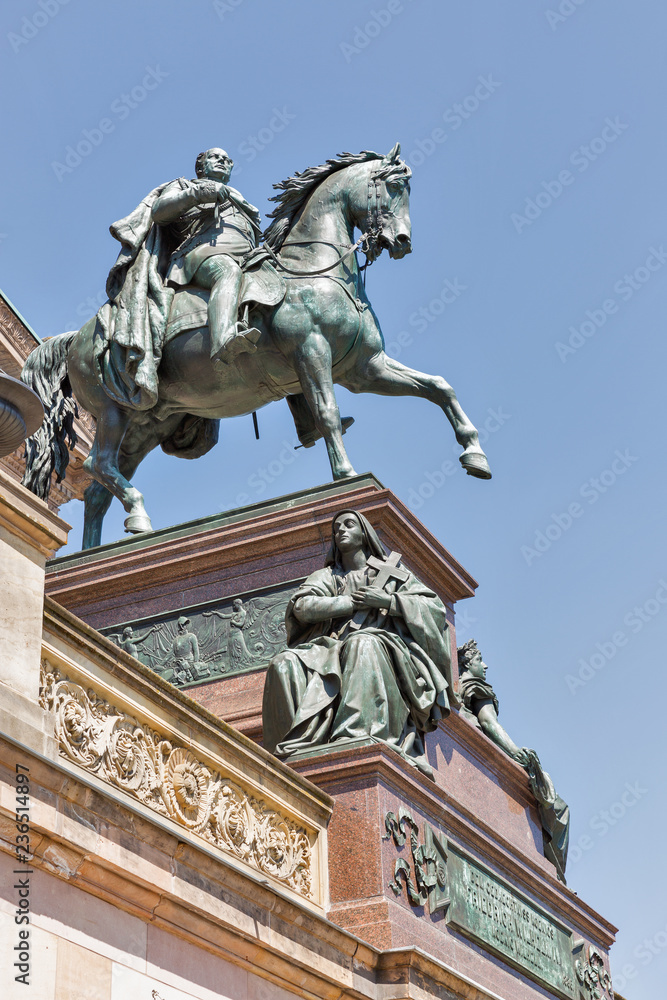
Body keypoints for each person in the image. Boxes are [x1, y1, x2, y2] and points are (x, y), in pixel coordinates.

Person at [262, 510, 452, 776]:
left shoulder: (392, 572)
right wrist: (349, 603)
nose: (340, 530)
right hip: (330, 648)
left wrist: (387, 601)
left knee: (362, 643)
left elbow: (433, 609)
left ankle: (355, 733)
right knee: (283, 662)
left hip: (385, 646)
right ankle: (292, 751)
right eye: (336, 527)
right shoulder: (329, 576)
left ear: (365, 533)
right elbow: (302, 606)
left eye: (349, 524)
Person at [457, 639, 570, 882]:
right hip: (489, 762)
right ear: (467, 663)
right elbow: (488, 722)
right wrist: (517, 753)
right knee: (559, 808)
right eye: (479, 660)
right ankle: (557, 877)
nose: (485, 666)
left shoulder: (458, 690)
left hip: (471, 762)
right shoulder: (475, 687)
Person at [151, 147, 263, 365]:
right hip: (202, 253)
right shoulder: (185, 186)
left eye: (227, 159)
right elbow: (159, 212)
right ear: (201, 167)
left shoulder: (240, 198)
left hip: (247, 257)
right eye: (215, 157)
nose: (222, 160)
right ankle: (224, 341)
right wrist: (198, 194)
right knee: (227, 271)